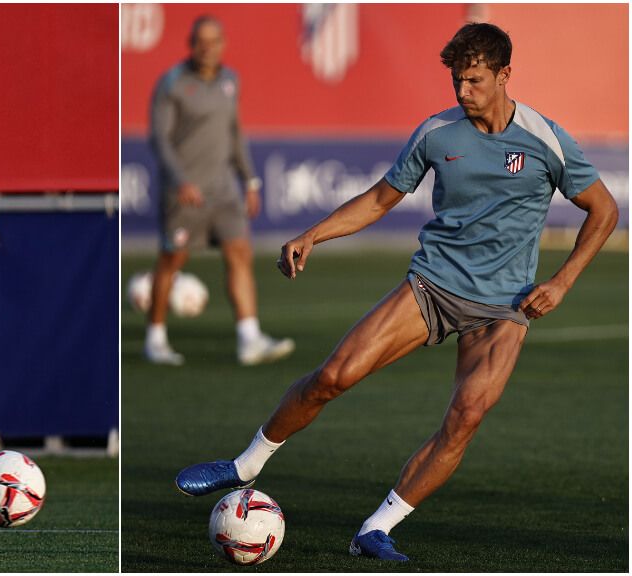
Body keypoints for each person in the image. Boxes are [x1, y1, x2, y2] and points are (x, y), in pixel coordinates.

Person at [175, 22, 618, 561]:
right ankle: (243, 465)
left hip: (506, 306)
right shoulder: (437, 132)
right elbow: (379, 199)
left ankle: (377, 528)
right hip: (433, 285)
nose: (462, 91)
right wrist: (313, 234)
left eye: (475, 80)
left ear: (505, 75)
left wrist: (562, 281)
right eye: (456, 80)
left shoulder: (546, 139)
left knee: (467, 416)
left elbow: (604, 209)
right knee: (332, 377)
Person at [145, 15, 294, 366]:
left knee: (239, 253)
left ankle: (249, 338)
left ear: (223, 44)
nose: (207, 47)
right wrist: (181, 180)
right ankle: (155, 337)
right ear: (191, 43)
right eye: (201, 41)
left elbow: (235, 134)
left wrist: (251, 180)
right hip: (185, 193)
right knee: (171, 262)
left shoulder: (230, 81)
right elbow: (160, 140)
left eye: (214, 41)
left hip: (224, 190)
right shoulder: (173, 84)